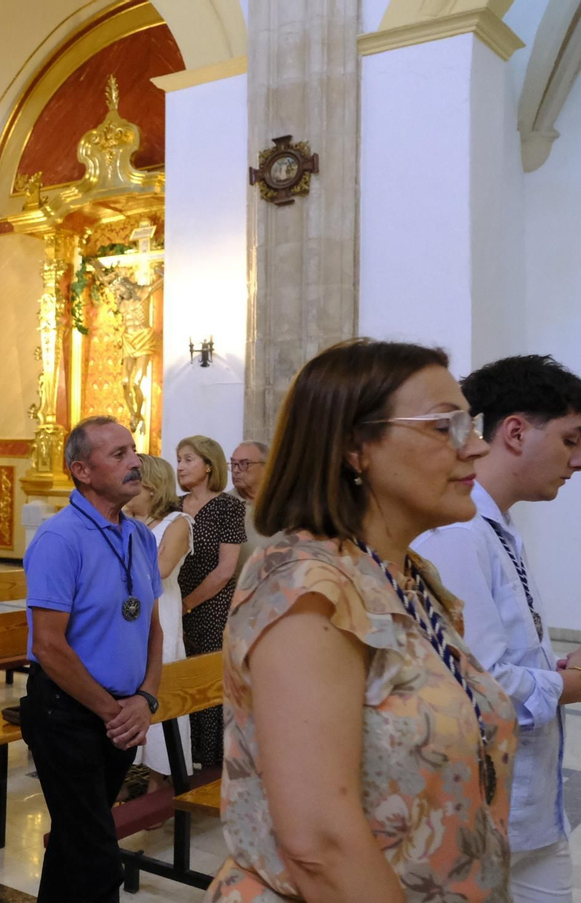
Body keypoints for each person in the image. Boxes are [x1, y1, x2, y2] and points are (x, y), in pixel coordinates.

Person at [207, 339, 515, 902]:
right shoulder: (308, 585)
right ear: (356, 447)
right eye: (445, 427)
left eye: (471, 424)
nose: (475, 449)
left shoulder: (408, 575)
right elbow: (319, 842)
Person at [414, 354, 581, 902]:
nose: (577, 460)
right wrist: (571, 685)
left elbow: (494, 654)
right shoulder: (457, 533)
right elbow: (477, 689)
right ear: (514, 431)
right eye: (570, 440)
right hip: (480, 807)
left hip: (529, 806)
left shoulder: (498, 526)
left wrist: (549, 670)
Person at [20, 416, 163, 903]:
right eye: (119, 454)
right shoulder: (60, 538)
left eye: (133, 450)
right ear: (81, 469)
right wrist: (113, 711)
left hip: (121, 713)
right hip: (68, 715)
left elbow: (152, 626)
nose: (134, 461)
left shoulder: (140, 536)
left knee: (74, 844)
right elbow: (48, 645)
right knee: (99, 859)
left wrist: (145, 697)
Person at [122, 453, 192, 790]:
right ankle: (124, 766)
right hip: (124, 613)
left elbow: (161, 570)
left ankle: (159, 778)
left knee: (159, 687)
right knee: (125, 686)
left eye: (133, 481)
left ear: (150, 487)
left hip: (159, 609)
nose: (127, 488)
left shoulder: (177, 522)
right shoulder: (122, 518)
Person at [175, 434, 243, 768]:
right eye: (178, 459)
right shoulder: (173, 506)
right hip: (175, 605)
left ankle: (212, 761)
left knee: (207, 680)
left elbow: (225, 570)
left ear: (208, 465)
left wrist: (188, 603)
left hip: (212, 607)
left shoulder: (228, 506)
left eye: (188, 459)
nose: (180, 466)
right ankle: (181, 755)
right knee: (179, 677)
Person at [228, 441, 269, 582]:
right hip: (236, 595)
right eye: (233, 464)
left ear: (266, 467)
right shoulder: (223, 505)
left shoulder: (283, 504)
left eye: (244, 464)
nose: (236, 470)